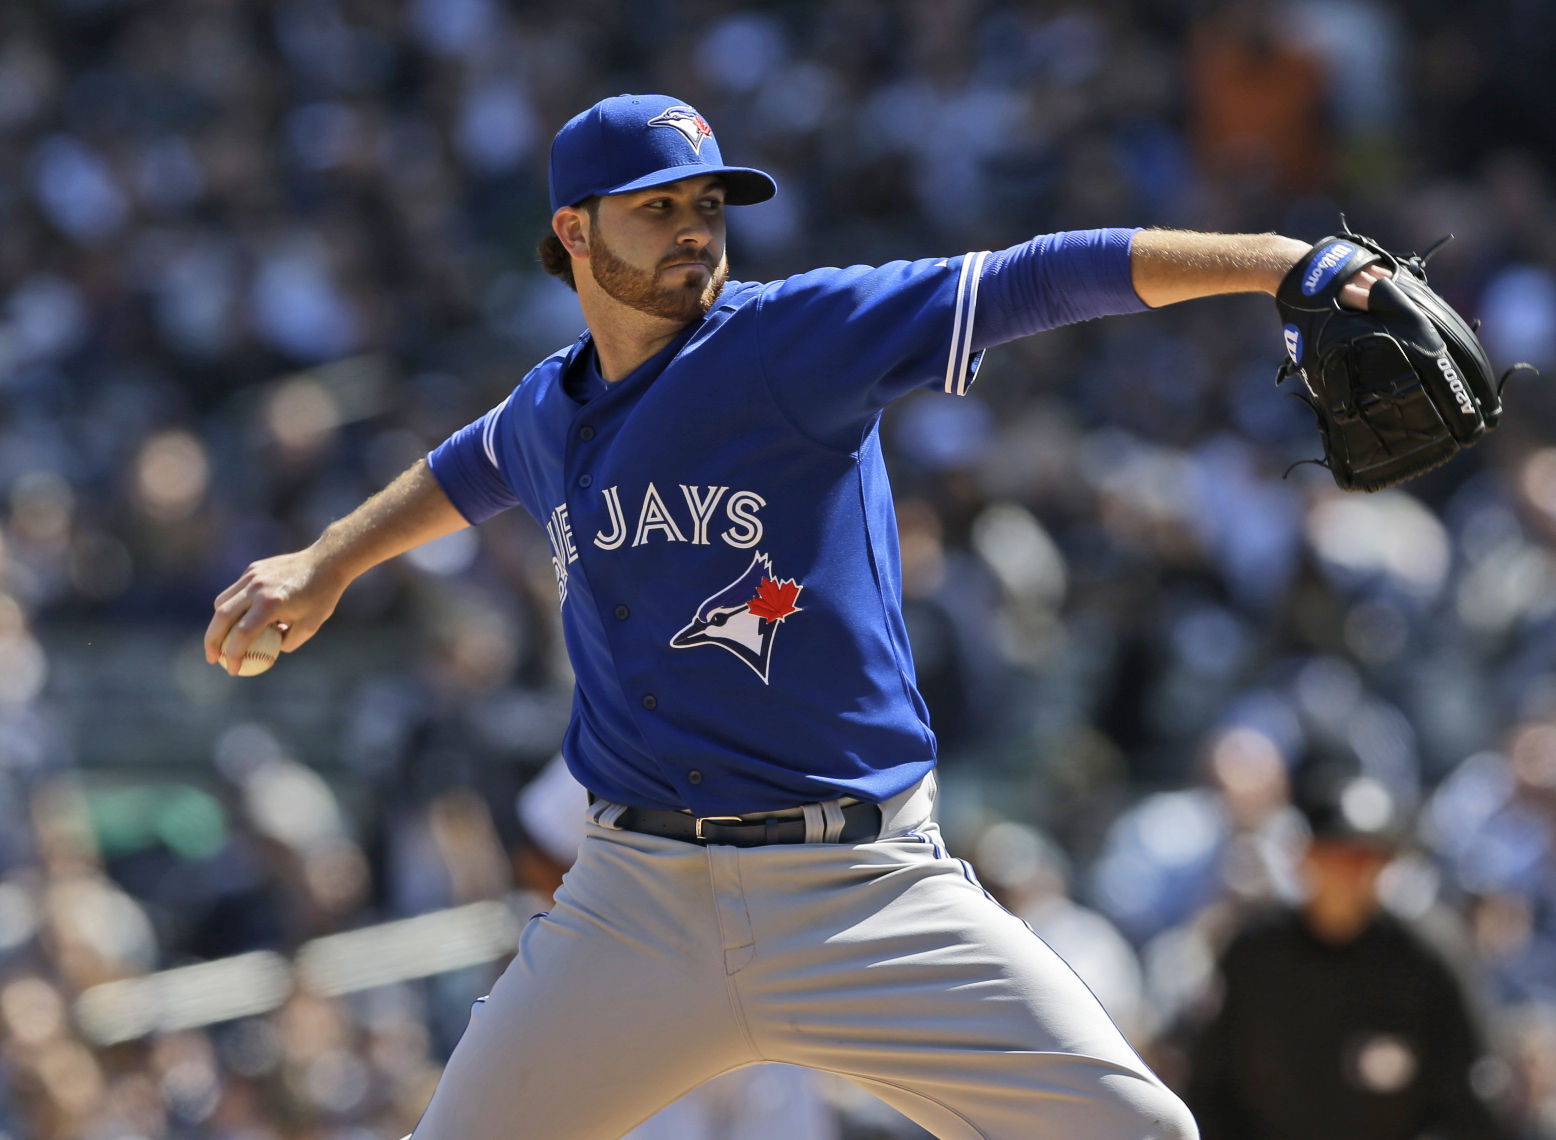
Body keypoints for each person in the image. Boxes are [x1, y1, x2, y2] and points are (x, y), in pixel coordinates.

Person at [206, 93, 1388, 1140]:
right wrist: (327, 562)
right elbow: (470, 467)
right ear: (572, 233)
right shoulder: (548, 410)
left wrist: (1276, 261)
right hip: (635, 901)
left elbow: (1034, 275)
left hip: (863, 888)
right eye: (653, 208)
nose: (692, 230)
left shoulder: (787, 339)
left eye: (706, 206)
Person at [1183, 760, 1513, 1140]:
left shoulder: (1427, 956)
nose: (1347, 873)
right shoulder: (1254, 953)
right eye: (1334, 854)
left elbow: (1470, 1096)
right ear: (1302, 856)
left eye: (1363, 858)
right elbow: (1209, 1084)